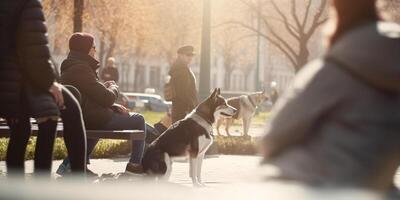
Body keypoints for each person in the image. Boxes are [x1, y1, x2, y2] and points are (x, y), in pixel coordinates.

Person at [262, 0, 400, 193]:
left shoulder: (331, 72)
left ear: (337, 15)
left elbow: (272, 138)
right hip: (373, 188)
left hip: (306, 186)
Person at [0, 0, 87, 177]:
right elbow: (34, 47)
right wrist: (49, 82)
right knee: (59, 112)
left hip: (10, 78)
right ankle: (71, 184)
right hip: (18, 77)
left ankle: (17, 191)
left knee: (21, 129)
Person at [58, 33, 146, 174]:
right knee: (139, 120)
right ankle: (134, 165)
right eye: (93, 47)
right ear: (85, 49)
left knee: (99, 123)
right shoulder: (82, 69)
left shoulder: (70, 67)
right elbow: (107, 98)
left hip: (83, 117)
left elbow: (90, 95)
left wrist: (109, 100)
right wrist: (114, 87)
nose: (95, 50)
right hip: (92, 118)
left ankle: (70, 164)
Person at [169, 45, 199, 123]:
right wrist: (191, 107)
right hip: (183, 111)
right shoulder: (180, 69)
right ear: (180, 55)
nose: (190, 57)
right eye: (188, 55)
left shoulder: (182, 68)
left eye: (192, 55)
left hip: (182, 110)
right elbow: (182, 92)